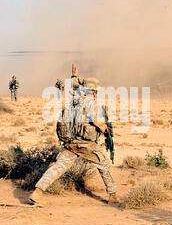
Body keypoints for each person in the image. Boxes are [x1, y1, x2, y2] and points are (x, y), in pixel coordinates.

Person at [29, 77, 118, 207]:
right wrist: (104, 128)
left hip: (71, 143)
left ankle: (37, 192)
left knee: (58, 167)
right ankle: (113, 196)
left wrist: (74, 76)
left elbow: (75, 87)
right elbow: (97, 121)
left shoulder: (74, 102)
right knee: (104, 165)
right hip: (87, 145)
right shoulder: (92, 104)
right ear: (93, 91)